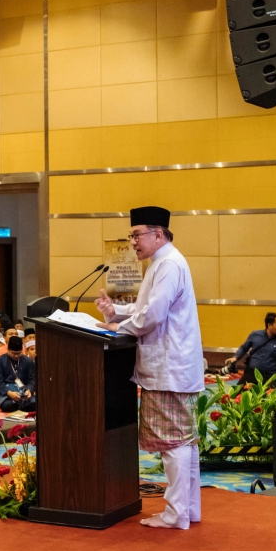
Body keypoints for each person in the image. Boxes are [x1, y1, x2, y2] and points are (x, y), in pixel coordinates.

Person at [95, 206, 204, 530]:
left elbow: (152, 316)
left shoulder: (168, 264)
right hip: (173, 366)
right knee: (184, 442)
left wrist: (118, 328)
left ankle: (176, 513)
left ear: (158, 234)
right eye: (131, 236)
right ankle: (188, 510)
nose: (133, 242)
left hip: (169, 367)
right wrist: (116, 311)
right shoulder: (163, 263)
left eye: (137, 234)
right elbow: (146, 307)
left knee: (174, 443)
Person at [226, 312, 276, 387]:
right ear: (269, 325)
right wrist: (235, 357)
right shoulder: (255, 335)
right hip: (251, 374)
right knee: (236, 395)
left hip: (270, 377)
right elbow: (244, 347)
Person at [0, 336, 37, 413]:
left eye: (18, 353)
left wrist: (29, 390)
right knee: (8, 405)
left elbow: (32, 379)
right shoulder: (0, 361)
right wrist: (9, 393)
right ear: (8, 350)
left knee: (36, 403)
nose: (16, 356)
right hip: (7, 395)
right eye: (14, 353)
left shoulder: (28, 361)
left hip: (24, 392)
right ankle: (21, 405)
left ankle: (23, 404)